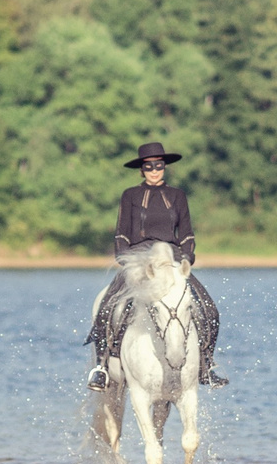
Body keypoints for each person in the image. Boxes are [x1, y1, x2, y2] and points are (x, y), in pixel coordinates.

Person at [86, 141, 226, 390]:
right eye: (149, 166)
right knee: (107, 306)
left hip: (170, 259)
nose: (154, 170)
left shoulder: (178, 196)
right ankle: (102, 366)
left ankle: (207, 363)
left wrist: (186, 259)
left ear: (164, 167)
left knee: (209, 309)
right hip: (137, 258)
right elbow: (122, 234)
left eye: (159, 166)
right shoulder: (130, 195)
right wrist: (125, 261)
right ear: (141, 169)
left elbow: (187, 235)